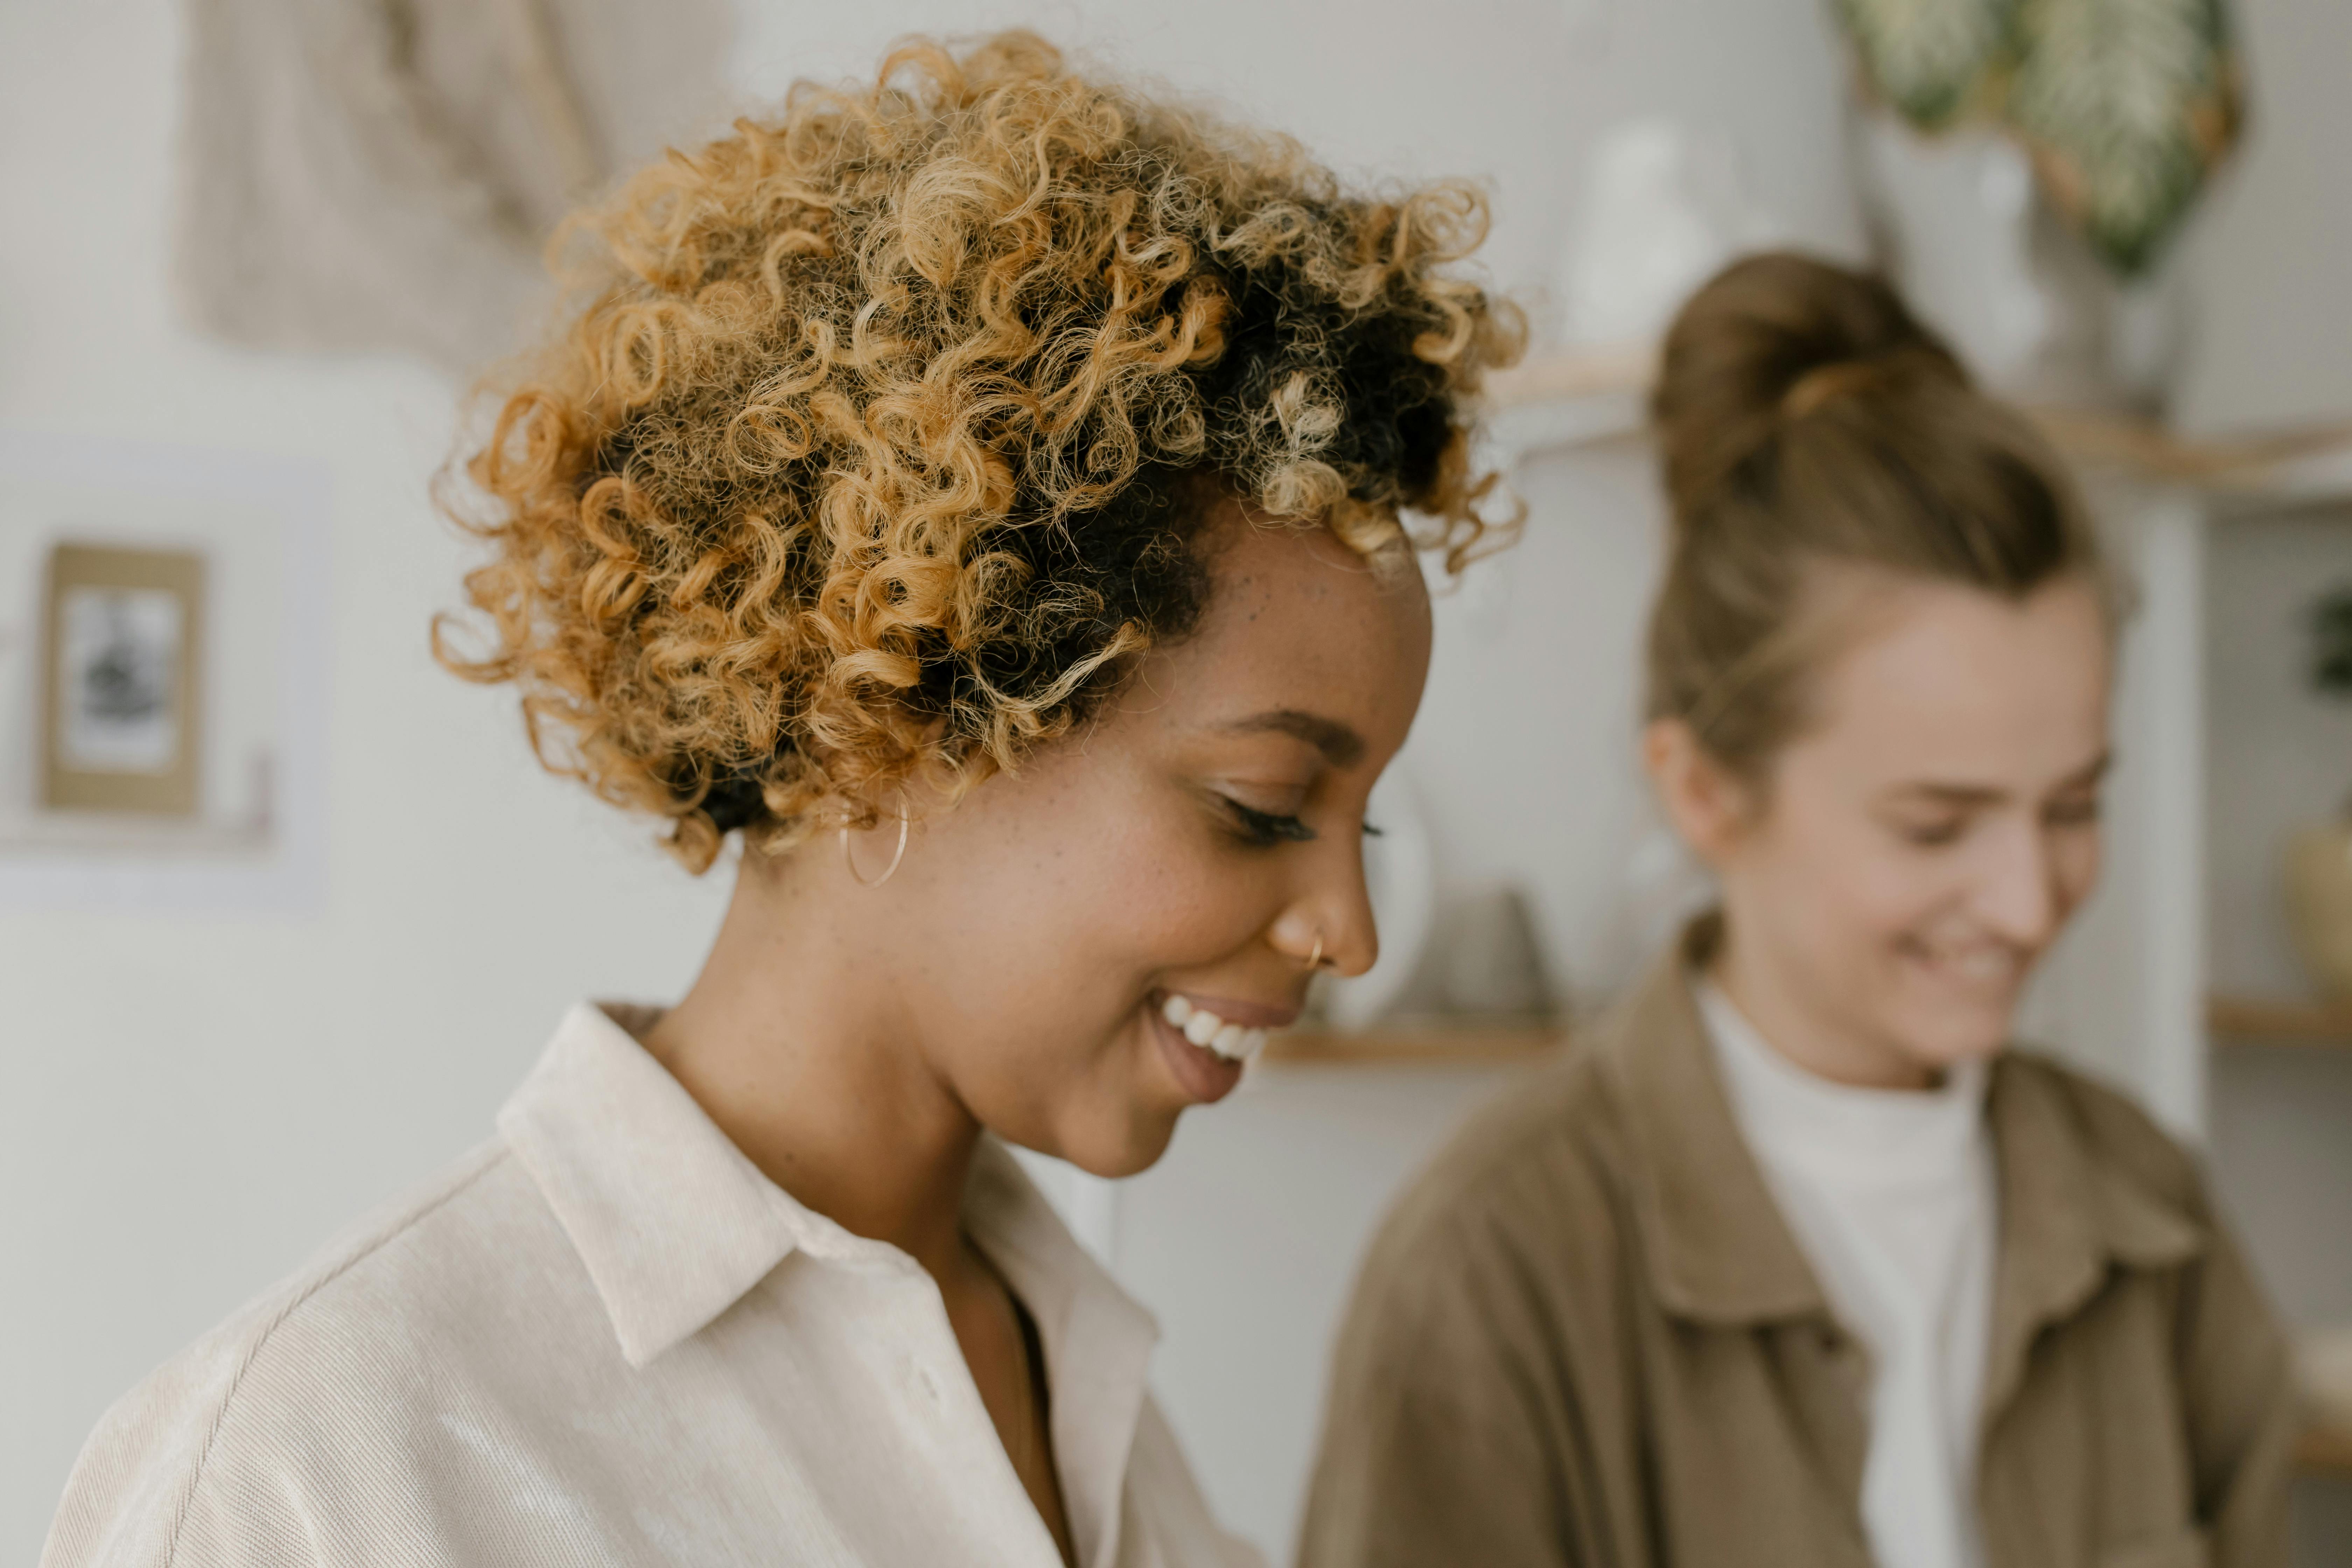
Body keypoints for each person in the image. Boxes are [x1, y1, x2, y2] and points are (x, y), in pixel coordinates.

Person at [42, 33, 1519, 1568]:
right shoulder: (315, 1470)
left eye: (1366, 820)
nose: (1349, 932)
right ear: (903, 703)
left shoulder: (1088, 1394)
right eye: (1263, 805)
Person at [1298, 253, 2295, 1568]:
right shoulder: (1495, 1272)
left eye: (2071, 807)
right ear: (1704, 790)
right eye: (1936, 825)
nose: (2026, 902)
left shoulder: (2151, 1219)